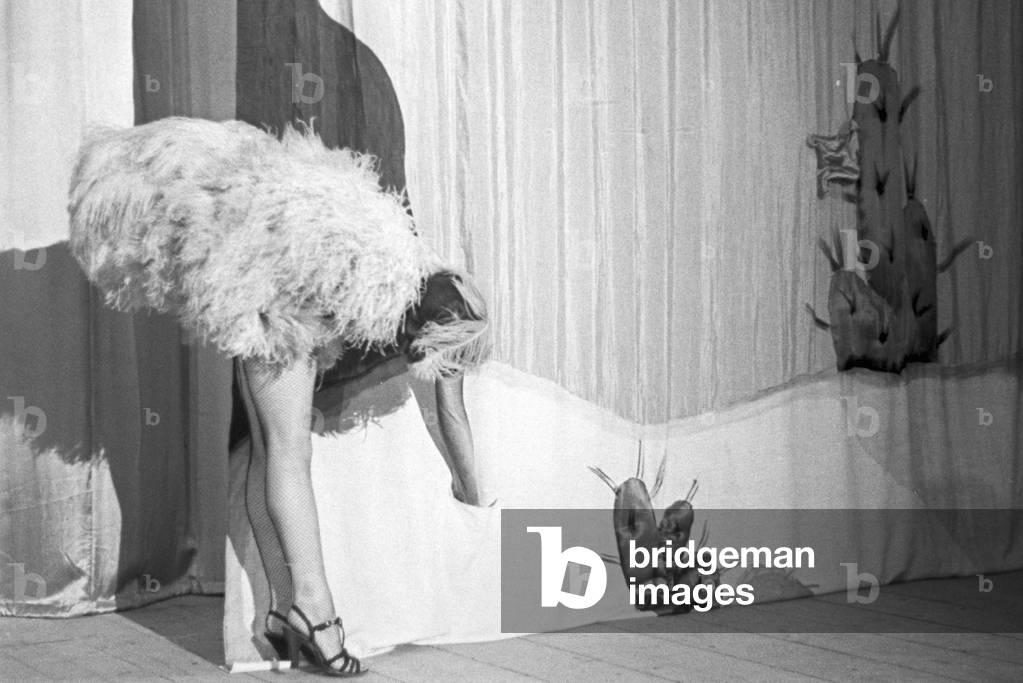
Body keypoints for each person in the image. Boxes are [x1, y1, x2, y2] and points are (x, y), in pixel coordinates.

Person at [68, 117, 492, 677]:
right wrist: (475, 494)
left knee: (274, 452)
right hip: (273, 295)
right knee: (289, 453)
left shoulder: (404, 262)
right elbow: (449, 411)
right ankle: (315, 614)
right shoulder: (394, 284)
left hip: (269, 285)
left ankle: (281, 613)